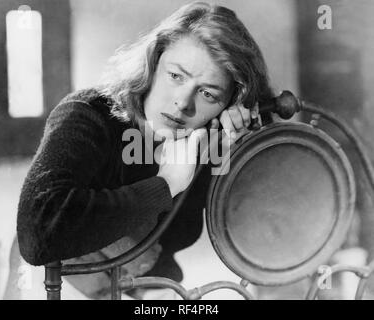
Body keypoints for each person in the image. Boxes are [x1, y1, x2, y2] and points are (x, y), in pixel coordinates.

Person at [16, 1, 273, 299]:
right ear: (153, 63)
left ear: (228, 103)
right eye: (176, 76)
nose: (183, 102)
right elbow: (38, 234)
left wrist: (237, 140)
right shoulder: (87, 114)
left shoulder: (201, 141)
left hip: (148, 288)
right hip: (56, 284)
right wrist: (165, 185)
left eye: (207, 93)